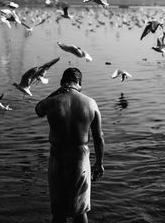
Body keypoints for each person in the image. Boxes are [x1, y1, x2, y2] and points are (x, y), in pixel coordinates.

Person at [35, 67, 105, 223]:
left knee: (58, 212)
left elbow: (38, 109)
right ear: (79, 83)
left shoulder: (52, 102)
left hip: (57, 158)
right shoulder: (90, 103)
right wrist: (99, 163)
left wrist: (56, 92)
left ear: (61, 83)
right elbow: (99, 137)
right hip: (79, 159)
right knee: (80, 212)